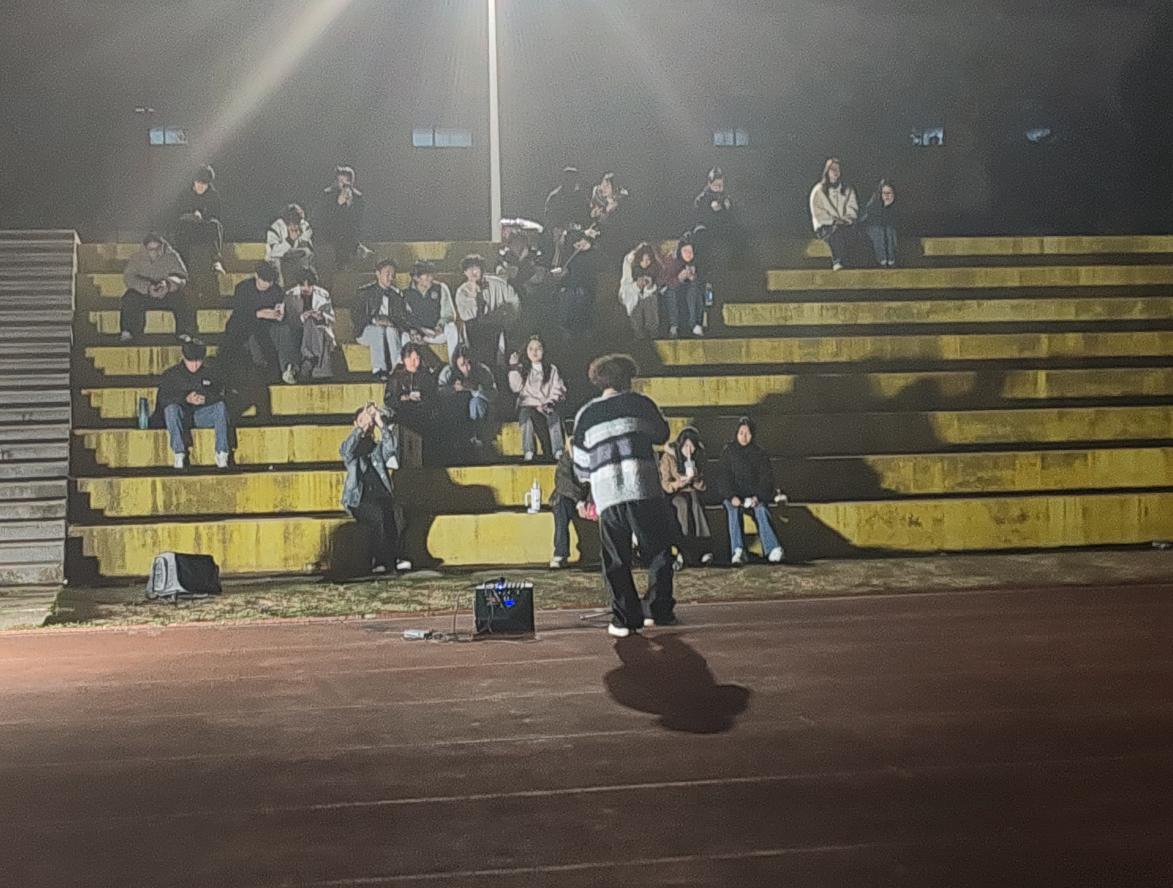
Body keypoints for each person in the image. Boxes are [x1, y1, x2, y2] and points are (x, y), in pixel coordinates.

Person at [572, 354, 676, 637]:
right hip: (644, 488)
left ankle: (625, 619)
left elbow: (581, 464)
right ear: (627, 379)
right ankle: (658, 609)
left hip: (608, 495)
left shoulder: (586, 414)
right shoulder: (641, 404)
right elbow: (662, 434)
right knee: (658, 551)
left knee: (616, 559)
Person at [340, 403, 412, 575]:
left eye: (369, 421)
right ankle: (380, 560)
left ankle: (395, 557)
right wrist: (362, 427)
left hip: (381, 496)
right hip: (358, 499)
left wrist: (381, 424)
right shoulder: (351, 450)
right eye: (362, 420)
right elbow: (346, 451)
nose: (368, 423)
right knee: (377, 515)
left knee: (396, 514)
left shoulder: (376, 448)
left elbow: (391, 449)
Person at [155, 339, 230, 470]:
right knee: (171, 409)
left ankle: (222, 453)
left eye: (198, 361)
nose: (195, 365)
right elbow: (163, 399)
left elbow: (221, 395)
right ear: (184, 358)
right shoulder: (172, 375)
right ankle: (179, 453)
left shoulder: (210, 374)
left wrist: (206, 399)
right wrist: (185, 398)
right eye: (191, 361)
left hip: (202, 415)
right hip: (181, 416)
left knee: (220, 407)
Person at [720, 416, 784, 565]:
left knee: (761, 509)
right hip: (734, 497)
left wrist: (757, 497)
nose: (744, 437)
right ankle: (738, 550)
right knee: (733, 510)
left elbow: (766, 479)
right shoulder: (728, 452)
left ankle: (772, 548)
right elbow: (723, 477)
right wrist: (732, 496)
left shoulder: (760, 453)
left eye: (747, 433)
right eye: (741, 433)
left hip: (754, 496)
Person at [220, 261, 300, 381]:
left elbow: (280, 313)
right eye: (264, 281)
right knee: (238, 336)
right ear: (257, 276)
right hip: (243, 326)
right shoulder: (243, 288)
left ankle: (286, 368)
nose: (267, 284)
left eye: (270, 281)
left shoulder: (276, 291)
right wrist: (259, 314)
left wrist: (279, 315)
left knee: (282, 331)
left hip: (267, 327)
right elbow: (239, 314)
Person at [119, 233, 193, 342]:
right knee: (129, 297)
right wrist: (147, 288)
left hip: (167, 293)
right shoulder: (136, 258)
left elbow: (183, 277)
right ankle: (129, 331)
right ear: (145, 249)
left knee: (182, 297)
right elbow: (129, 277)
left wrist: (168, 285)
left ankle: (184, 332)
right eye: (151, 249)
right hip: (144, 294)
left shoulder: (172, 256)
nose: (155, 252)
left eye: (158, 248)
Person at [659, 426, 714, 566]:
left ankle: (703, 547)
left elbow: (704, 486)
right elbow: (665, 484)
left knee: (695, 502)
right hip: (675, 494)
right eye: (686, 446)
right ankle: (683, 548)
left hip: (692, 491)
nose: (688, 450)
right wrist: (679, 483)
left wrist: (695, 478)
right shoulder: (669, 457)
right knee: (682, 504)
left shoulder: (698, 457)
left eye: (692, 446)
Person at [508, 335, 567, 462]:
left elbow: (557, 388)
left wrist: (549, 403)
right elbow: (516, 388)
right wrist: (513, 367)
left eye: (538, 348)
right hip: (528, 405)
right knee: (526, 417)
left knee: (554, 416)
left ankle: (558, 450)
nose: (534, 352)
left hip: (546, 404)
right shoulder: (523, 369)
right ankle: (529, 451)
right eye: (531, 349)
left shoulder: (552, 369)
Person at [454, 254, 520, 366]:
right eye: (469, 269)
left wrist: (508, 319)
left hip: (495, 326)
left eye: (476, 268)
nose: (473, 272)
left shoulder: (498, 284)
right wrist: (474, 295)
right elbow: (467, 316)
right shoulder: (462, 291)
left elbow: (514, 301)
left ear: (482, 270)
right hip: (474, 329)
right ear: (464, 272)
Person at [355, 258, 409, 382]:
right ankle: (379, 369)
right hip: (366, 330)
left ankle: (397, 368)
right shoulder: (364, 293)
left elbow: (401, 318)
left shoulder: (396, 295)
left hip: (388, 330)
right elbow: (357, 317)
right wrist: (375, 320)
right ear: (378, 274)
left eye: (393, 275)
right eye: (387, 274)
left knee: (391, 331)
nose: (390, 278)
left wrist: (390, 323)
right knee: (378, 331)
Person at [437, 344, 497, 452]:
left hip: (480, 409)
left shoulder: (482, 370)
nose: (466, 368)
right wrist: (453, 388)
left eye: (469, 363)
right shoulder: (448, 372)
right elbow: (439, 391)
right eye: (462, 364)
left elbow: (494, 394)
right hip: (457, 409)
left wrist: (475, 389)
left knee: (476, 402)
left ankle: (478, 438)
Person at [316, 165, 369, 276]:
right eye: (341, 182)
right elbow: (325, 218)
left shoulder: (358, 198)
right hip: (331, 232)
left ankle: (355, 251)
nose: (343, 185)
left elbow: (359, 220)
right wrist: (338, 205)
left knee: (347, 235)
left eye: (346, 182)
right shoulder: (328, 195)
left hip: (350, 233)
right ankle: (354, 252)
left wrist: (350, 205)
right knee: (340, 238)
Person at [172, 165, 225, 276]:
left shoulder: (213, 196)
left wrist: (202, 217)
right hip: (188, 229)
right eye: (199, 183)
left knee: (215, 225)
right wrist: (191, 216)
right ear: (194, 182)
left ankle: (216, 261)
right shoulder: (185, 195)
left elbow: (216, 216)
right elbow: (177, 214)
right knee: (181, 227)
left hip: (204, 229)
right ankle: (181, 263)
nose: (201, 186)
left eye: (204, 184)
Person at [285, 268, 336, 381]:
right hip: (298, 330)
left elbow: (331, 319)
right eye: (303, 285)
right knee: (308, 323)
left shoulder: (323, 294)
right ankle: (312, 359)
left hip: (320, 330)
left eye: (309, 285)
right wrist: (303, 317)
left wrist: (321, 316)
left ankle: (308, 358)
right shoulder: (290, 296)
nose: (306, 288)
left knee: (312, 323)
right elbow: (290, 321)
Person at [549, 436, 593, 569]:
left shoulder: (593, 460)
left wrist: (590, 501)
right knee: (561, 506)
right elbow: (564, 483)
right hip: (569, 498)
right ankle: (560, 553)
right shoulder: (566, 460)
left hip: (588, 498)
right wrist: (579, 502)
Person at [403, 260, 460, 359]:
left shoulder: (440, 288)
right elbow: (406, 318)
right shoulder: (406, 294)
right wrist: (417, 331)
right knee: (404, 336)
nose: (431, 278)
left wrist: (440, 326)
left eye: (431, 274)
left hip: (437, 333)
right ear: (416, 278)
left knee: (452, 328)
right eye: (427, 275)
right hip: (418, 334)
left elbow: (449, 314)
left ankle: (454, 363)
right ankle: (406, 366)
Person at [809, 157, 859, 271]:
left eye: (838, 169)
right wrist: (833, 221)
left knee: (854, 235)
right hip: (825, 226)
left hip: (845, 224)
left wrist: (846, 220)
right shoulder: (818, 191)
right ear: (827, 171)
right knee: (836, 233)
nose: (835, 172)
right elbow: (818, 213)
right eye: (832, 169)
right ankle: (838, 262)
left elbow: (852, 208)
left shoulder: (848, 190)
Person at [384, 342, 438, 443]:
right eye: (409, 358)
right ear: (404, 359)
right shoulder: (396, 377)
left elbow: (433, 397)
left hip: (422, 414)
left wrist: (422, 397)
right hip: (402, 414)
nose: (413, 362)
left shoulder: (426, 376)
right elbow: (388, 399)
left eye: (416, 358)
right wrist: (403, 398)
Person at [551, 226, 599, 335]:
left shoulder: (590, 255)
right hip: (568, 289)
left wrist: (567, 274)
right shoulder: (569, 252)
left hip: (582, 290)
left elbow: (586, 275)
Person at [658, 234, 704, 338]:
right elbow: (662, 283)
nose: (688, 254)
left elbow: (701, 281)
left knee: (695, 290)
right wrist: (678, 279)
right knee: (671, 292)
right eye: (685, 251)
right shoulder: (671, 262)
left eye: (691, 251)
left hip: (688, 292)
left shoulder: (696, 263)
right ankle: (674, 325)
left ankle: (695, 324)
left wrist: (693, 278)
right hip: (672, 290)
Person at [618, 242, 661, 339]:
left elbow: (658, 285)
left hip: (648, 294)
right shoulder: (629, 265)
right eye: (643, 260)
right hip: (629, 294)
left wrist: (649, 287)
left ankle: (653, 330)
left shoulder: (654, 268)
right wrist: (636, 286)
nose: (646, 262)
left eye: (648, 260)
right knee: (635, 301)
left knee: (651, 299)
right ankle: (638, 331)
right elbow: (625, 288)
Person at [266, 203, 314, 284]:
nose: (296, 222)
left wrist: (300, 238)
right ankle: (280, 288)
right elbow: (273, 252)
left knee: (307, 253)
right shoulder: (276, 226)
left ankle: (306, 283)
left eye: (298, 219)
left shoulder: (304, 225)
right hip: (278, 258)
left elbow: (307, 247)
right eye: (293, 218)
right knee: (276, 262)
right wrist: (289, 240)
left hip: (295, 257)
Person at [863, 179, 899, 267]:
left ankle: (891, 260)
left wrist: (888, 206)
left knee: (889, 231)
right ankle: (882, 260)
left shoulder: (897, 207)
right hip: (875, 229)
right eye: (884, 193)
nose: (886, 195)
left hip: (890, 230)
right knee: (879, 231)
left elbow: (896, 221)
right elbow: (871, 219)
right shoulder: (874, 205)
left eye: (889, 193)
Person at [544, 166, 588, 231]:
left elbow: (586, 215)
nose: (571, 182)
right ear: (563, 180)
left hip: (577, 232)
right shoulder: (555, 197)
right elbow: (549, 219)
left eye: (574, 179)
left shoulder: (580, 197)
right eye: (568, 179)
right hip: (558, 231)